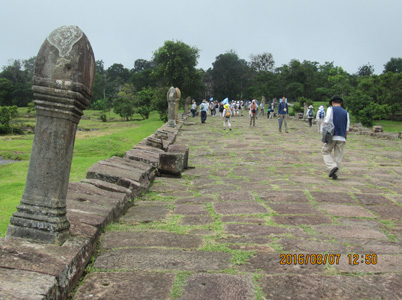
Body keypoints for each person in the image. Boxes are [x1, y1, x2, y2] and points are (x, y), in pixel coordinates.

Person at [322, 95, 350, 180]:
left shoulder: (331, 109)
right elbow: (347, 128)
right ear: (340, 103)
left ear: (333, 102)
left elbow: (326, 122)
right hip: (342, 136)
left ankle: (332, 166)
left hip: (332, 135)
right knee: (338, 155)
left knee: (325, 151)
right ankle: (336, 174)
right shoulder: (346, 112)